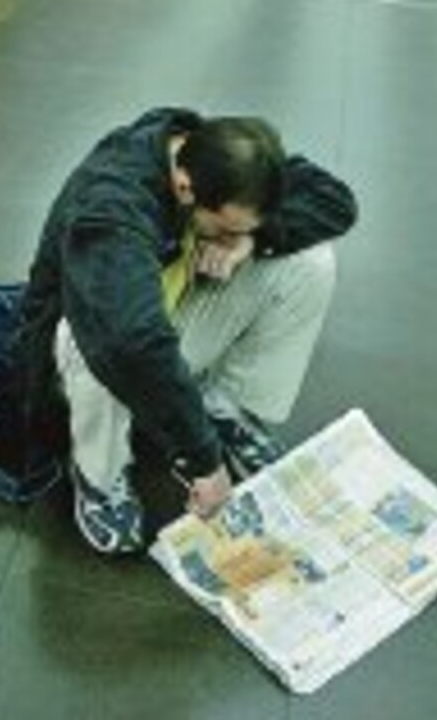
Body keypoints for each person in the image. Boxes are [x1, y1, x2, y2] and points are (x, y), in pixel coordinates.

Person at [18, 107, 358, 555]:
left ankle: (224, 407)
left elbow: (335, 201)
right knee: (95, 334)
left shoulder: (223, 157)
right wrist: (203, 460)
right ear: (184, 187)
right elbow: (132, 341)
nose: (230, 236)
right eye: (226, 226)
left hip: (163, 318)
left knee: (310, 262)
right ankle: (99, 474)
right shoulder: (111, 202)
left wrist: (252, 239)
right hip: (94, 347)